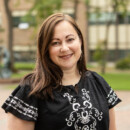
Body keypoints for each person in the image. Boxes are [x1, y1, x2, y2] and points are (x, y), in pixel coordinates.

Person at [1, 13, 121, 130]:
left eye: (70, 39)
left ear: (80, 40)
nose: (64, 48)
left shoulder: (98, 82)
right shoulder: (30, 91)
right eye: (55, 43)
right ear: (46, 49)